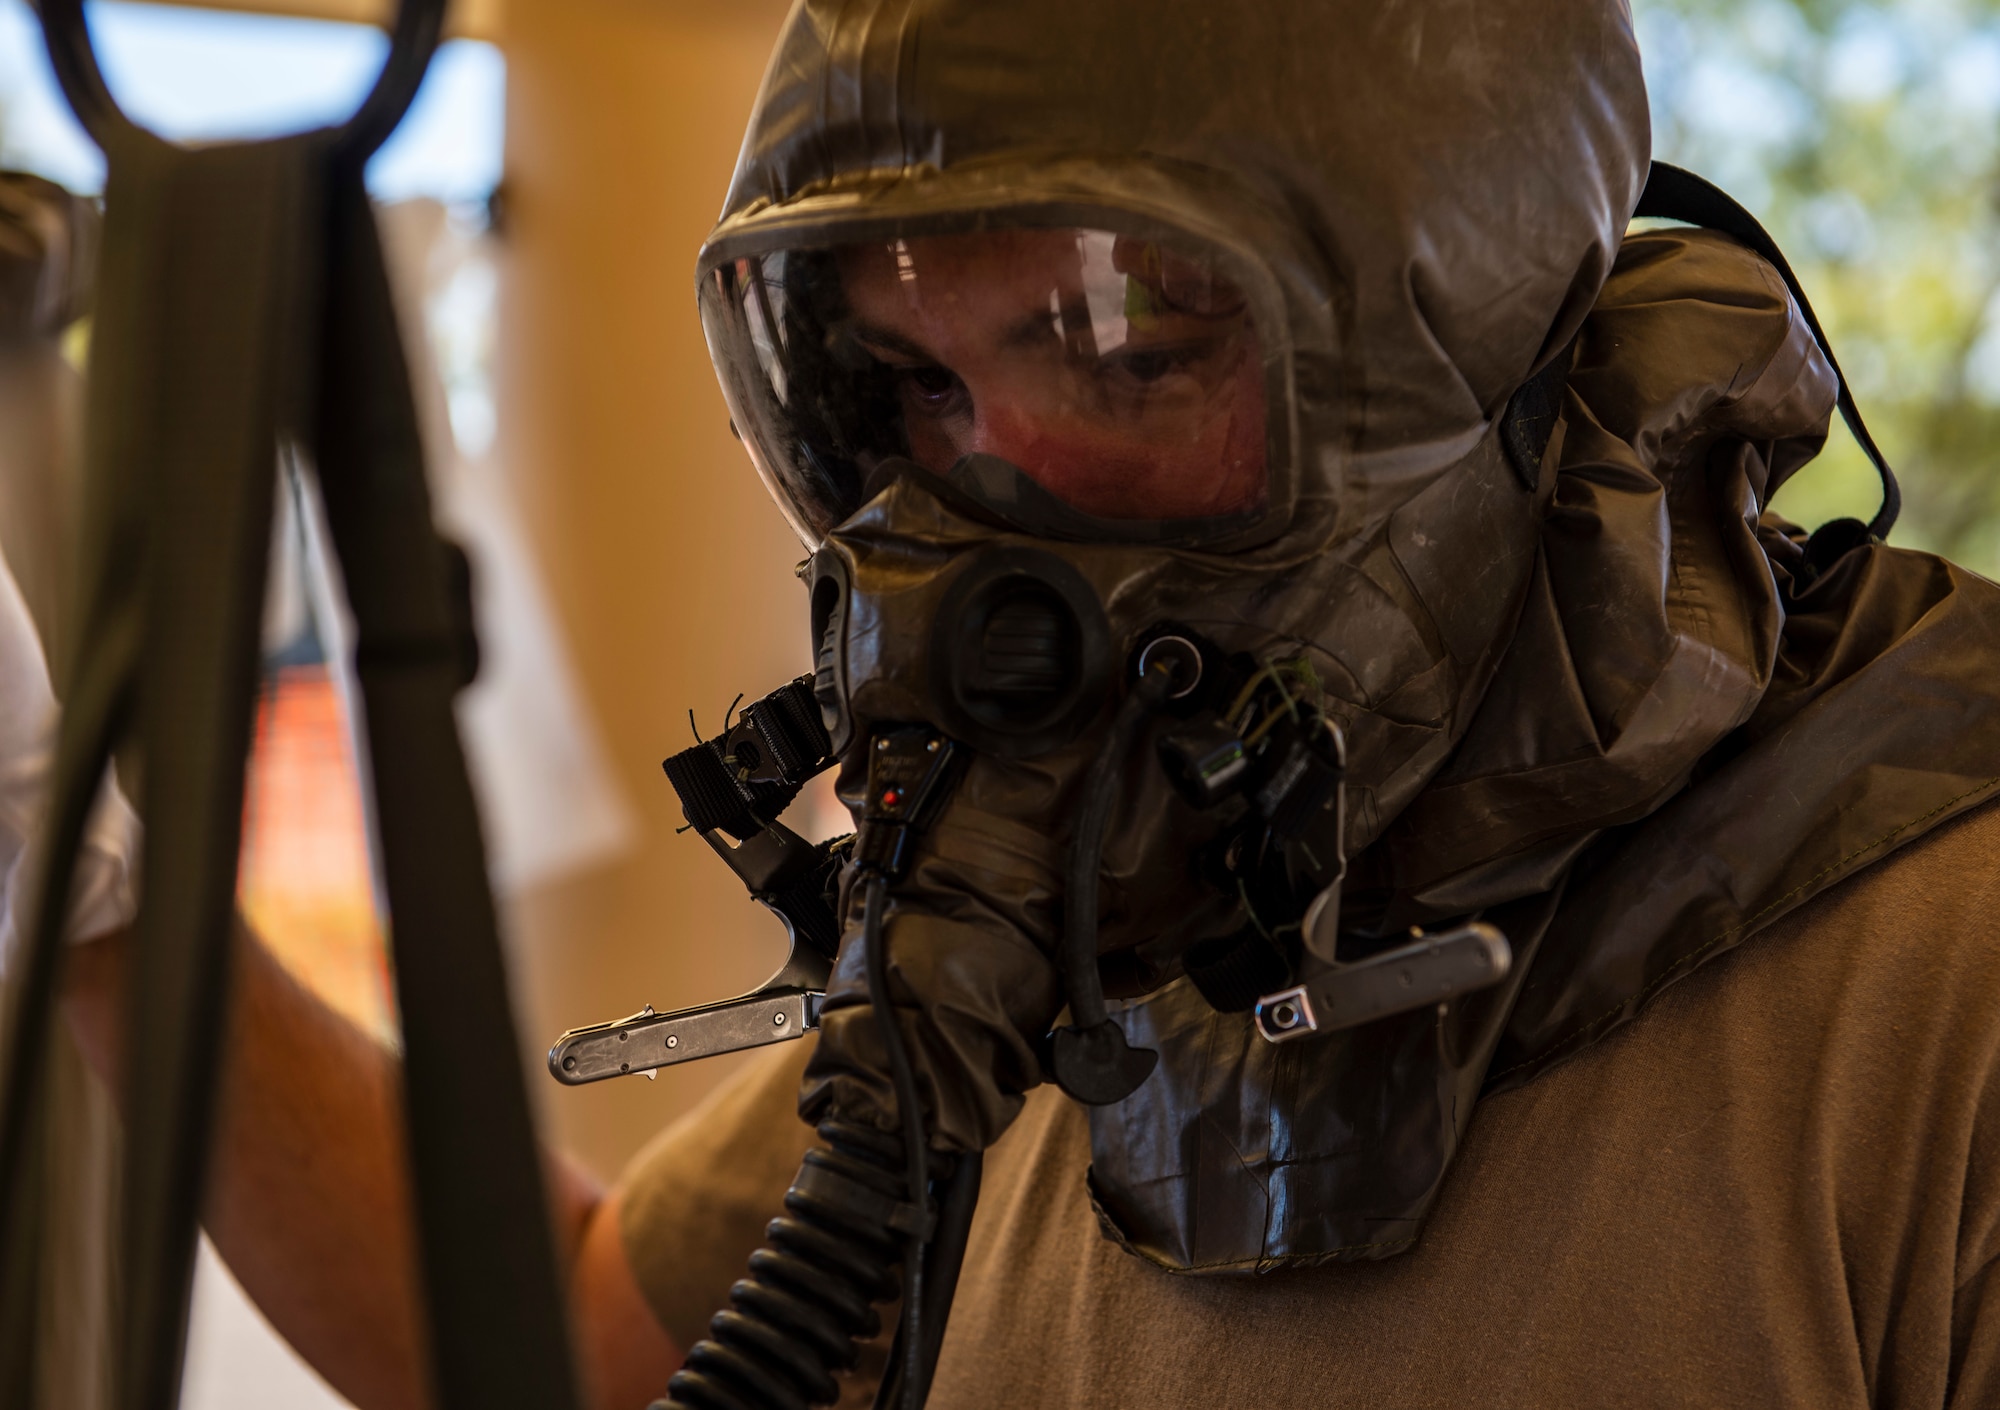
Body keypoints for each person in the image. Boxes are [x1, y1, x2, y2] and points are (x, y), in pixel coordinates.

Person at [33, 0, 2000, 1407]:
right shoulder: (1074, 940)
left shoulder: (1939, 971)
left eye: (1120, 336)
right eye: (911, 380)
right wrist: (89, 884)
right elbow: (568, 1340)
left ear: (1475, 340)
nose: (985, 494)